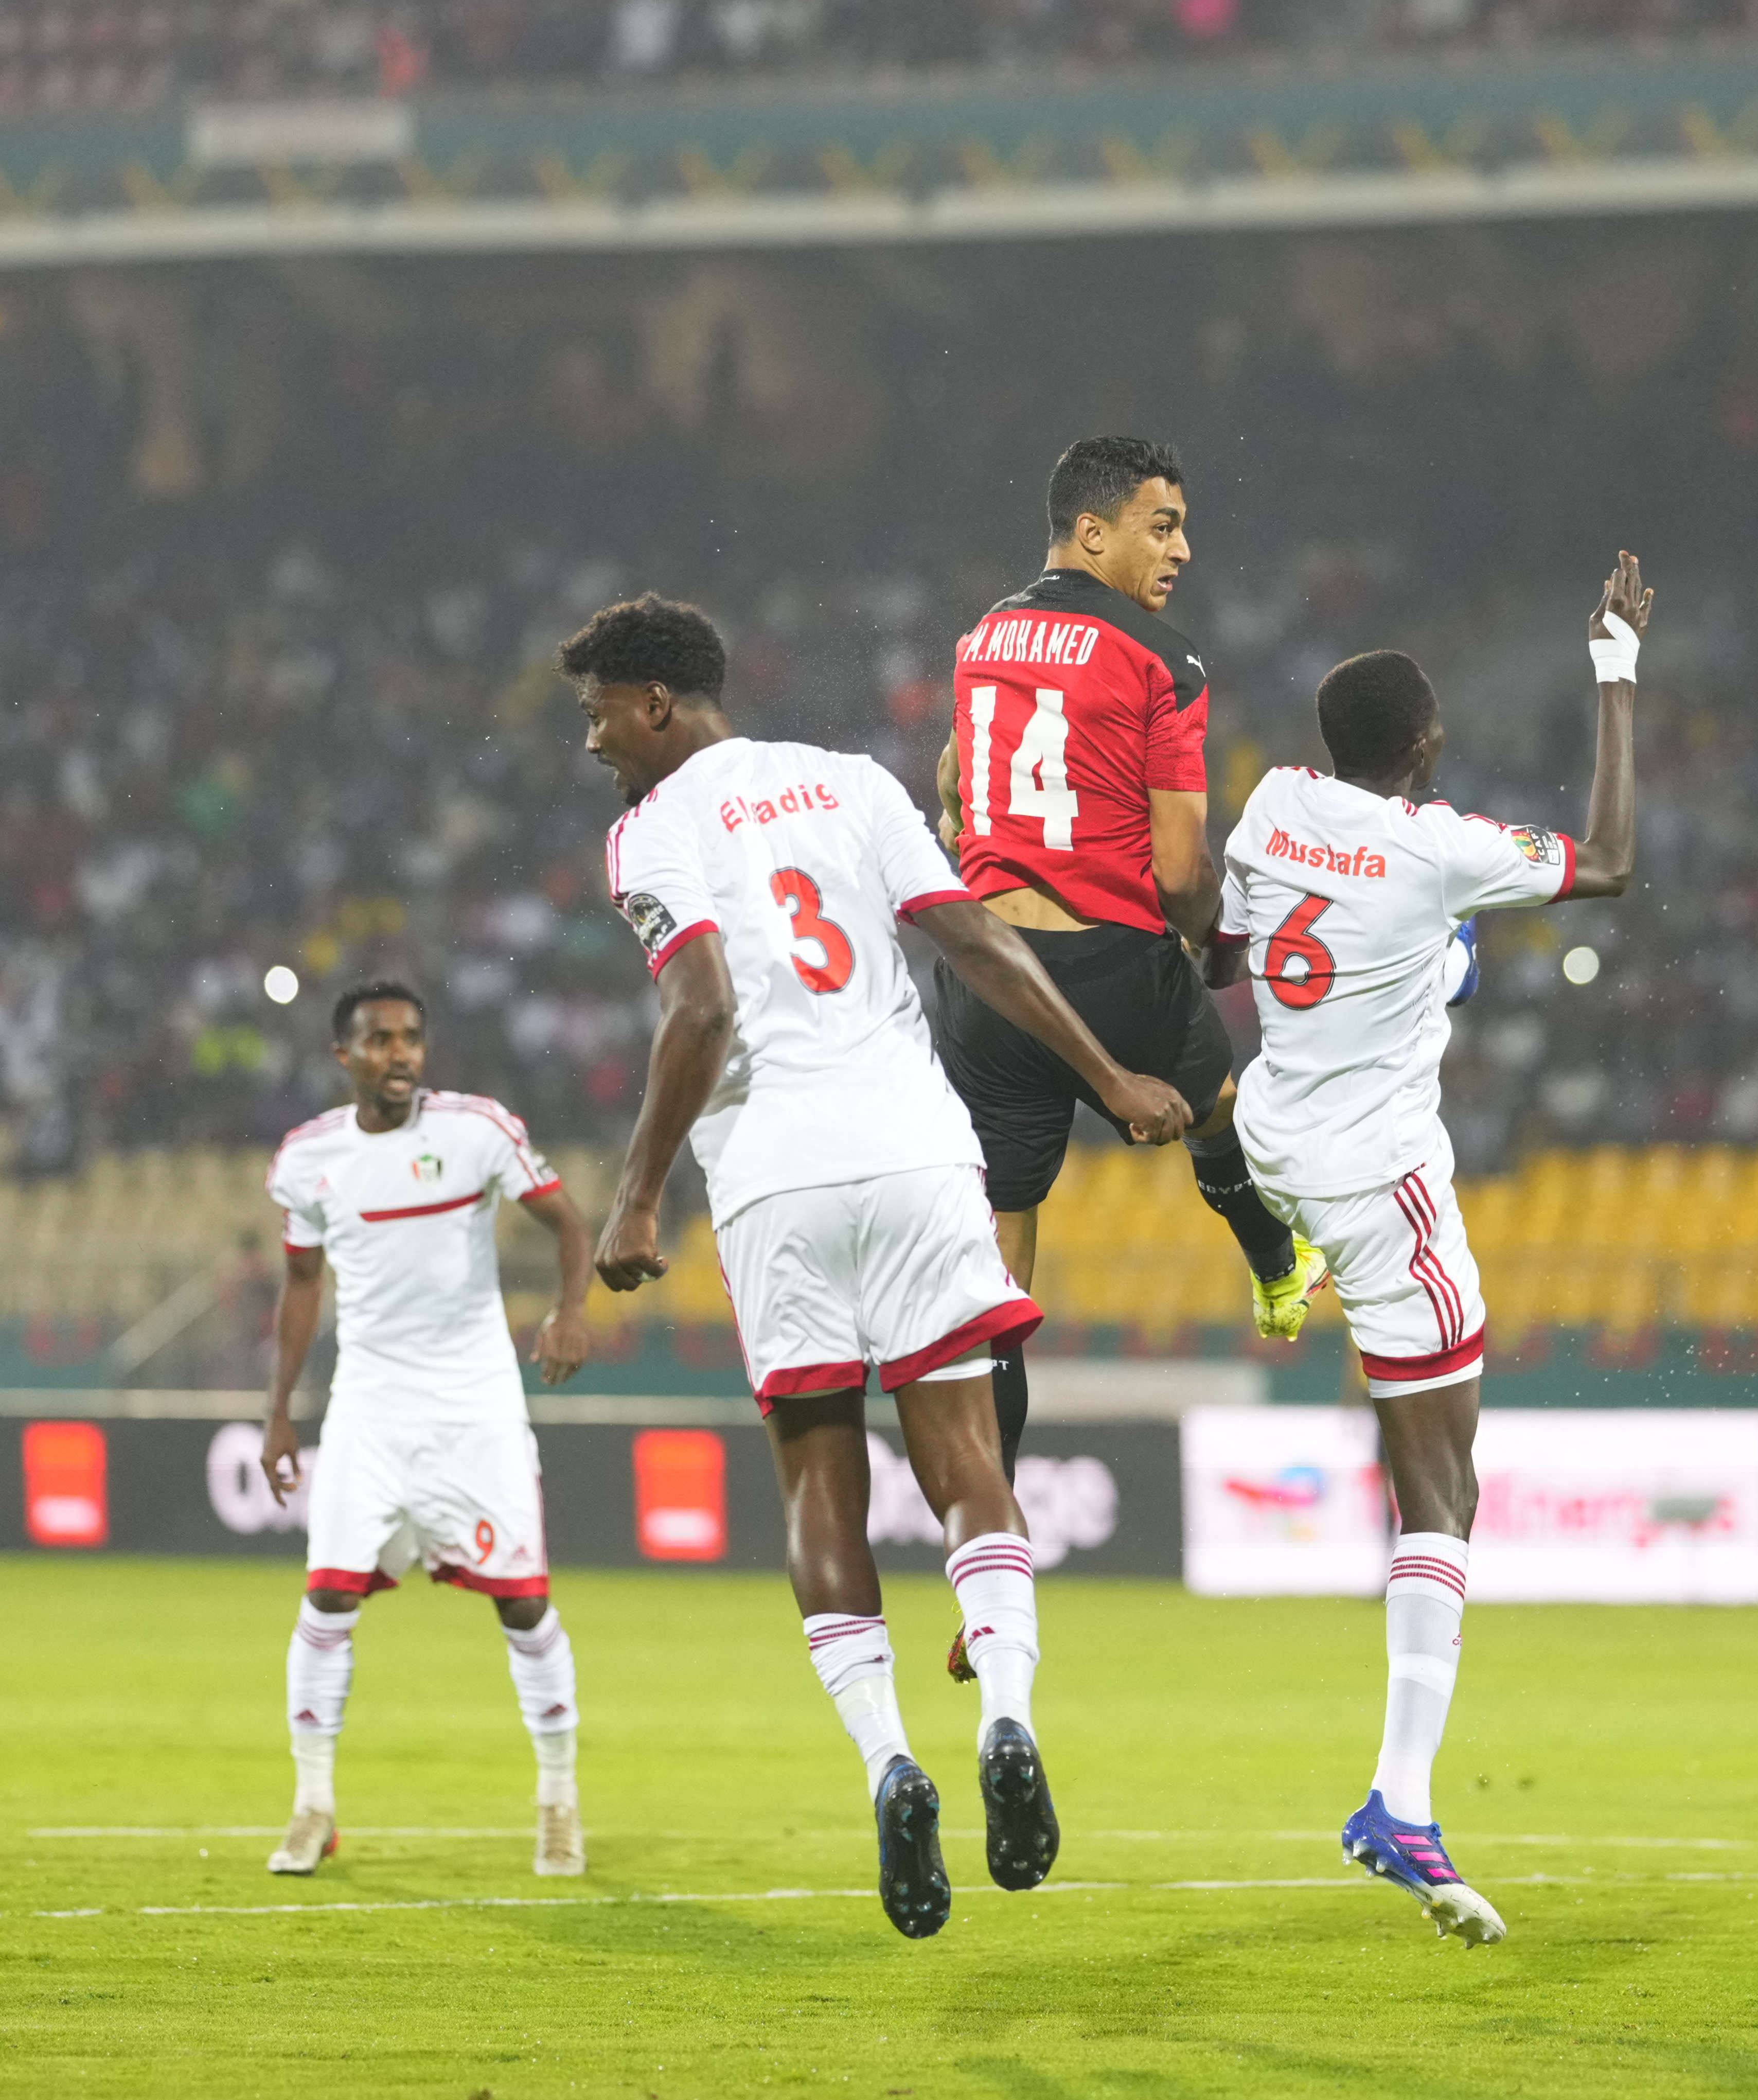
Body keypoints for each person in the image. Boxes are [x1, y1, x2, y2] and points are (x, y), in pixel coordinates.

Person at [564, 593, 1192, 1939]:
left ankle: (889, 1760)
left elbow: (701, 1005)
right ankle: (1011, 1719)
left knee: (821, 1485)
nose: (594, 740)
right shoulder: (855, 785)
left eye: (600, 711)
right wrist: (1109, 1077)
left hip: (777, 1175)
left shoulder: (651, 832)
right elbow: (973, 938)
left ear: (660, 704)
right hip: (919, 1149)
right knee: (966, 1460)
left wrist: (635, 1199)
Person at [1207, 550, 1646, 1946]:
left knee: (1437, 957)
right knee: (1443, 1486)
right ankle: (1399, 1799)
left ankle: (1274, 1257)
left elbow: (1224, 957)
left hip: (1275, 1133)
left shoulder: (1270, 806)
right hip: (1380, 1182)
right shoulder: (1434, 843)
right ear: (1422, 749)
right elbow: (1614, 861)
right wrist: (1617, 667)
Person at [931, 435, 1322, 1493]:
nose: (1183, 547)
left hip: (981, 977)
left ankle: (991, 1523)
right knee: (1215, 1106)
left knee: (1000, 1269)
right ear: (1092, 531)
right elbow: (1182, 864)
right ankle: (1276, 1262)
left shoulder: (981, 638)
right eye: (1163, 523)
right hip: (1105, 961)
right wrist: (1211, 935)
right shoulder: (1165, 661)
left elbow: (957, 779)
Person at [259, 979, 595, 1880]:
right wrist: (279, 1409)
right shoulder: (308, 1156)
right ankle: (312, 1805)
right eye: (379, 1040)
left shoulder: (476, 1128)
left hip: (475, 1402)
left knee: (523, 1602)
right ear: (345, 1055)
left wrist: (571, 1311)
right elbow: (300, 1285)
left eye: (411, 1037)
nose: (400, 1053)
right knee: (326, 1598)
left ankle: (559, 1803)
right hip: (368, 1403)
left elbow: (568, 1222)